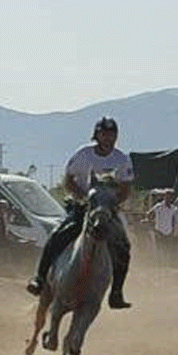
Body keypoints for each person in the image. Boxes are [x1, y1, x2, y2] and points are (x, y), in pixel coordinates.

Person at [26, 116, 135, 308]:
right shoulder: (83, 155)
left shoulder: (122, 159)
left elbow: (125, 188)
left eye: (112, 134)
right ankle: (40, 278)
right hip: (83, 206)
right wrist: (83, 198)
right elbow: (68, 181)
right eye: (104, 134)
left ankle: (116, 292)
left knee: (123, 247)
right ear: (97, 136)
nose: (108, 138)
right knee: (58, 236)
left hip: (108, 210)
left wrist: (112, 203)